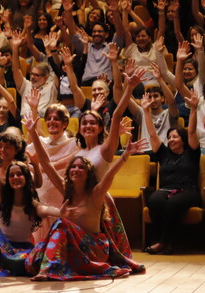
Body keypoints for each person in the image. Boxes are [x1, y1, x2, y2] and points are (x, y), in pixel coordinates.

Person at [28, 118, 147, 281]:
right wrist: (33, 132)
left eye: (81, 167)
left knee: (61, 224)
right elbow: (47, 164)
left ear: (88, 173)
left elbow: (111, 173)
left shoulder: (96, 194)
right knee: (30, 262)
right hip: (73, 249)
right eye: (73, 166)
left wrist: (125, 155)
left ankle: (48, 270)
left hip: (94, 250)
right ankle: (50, 268)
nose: (76, 169)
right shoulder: (66, 191)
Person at [142, 92, 201, 255]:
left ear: (183, 139)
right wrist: (145, 111)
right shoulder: (164, 153)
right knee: (154, 200)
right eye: (169, 137)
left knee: (173, 203)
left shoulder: (191, 152)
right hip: (166, 189)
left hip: (188, 190)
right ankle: (157, 240)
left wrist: (194, 109)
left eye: (175, 137)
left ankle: (163, 242)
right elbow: (152, 134)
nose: (171, 140)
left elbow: (191, 131)